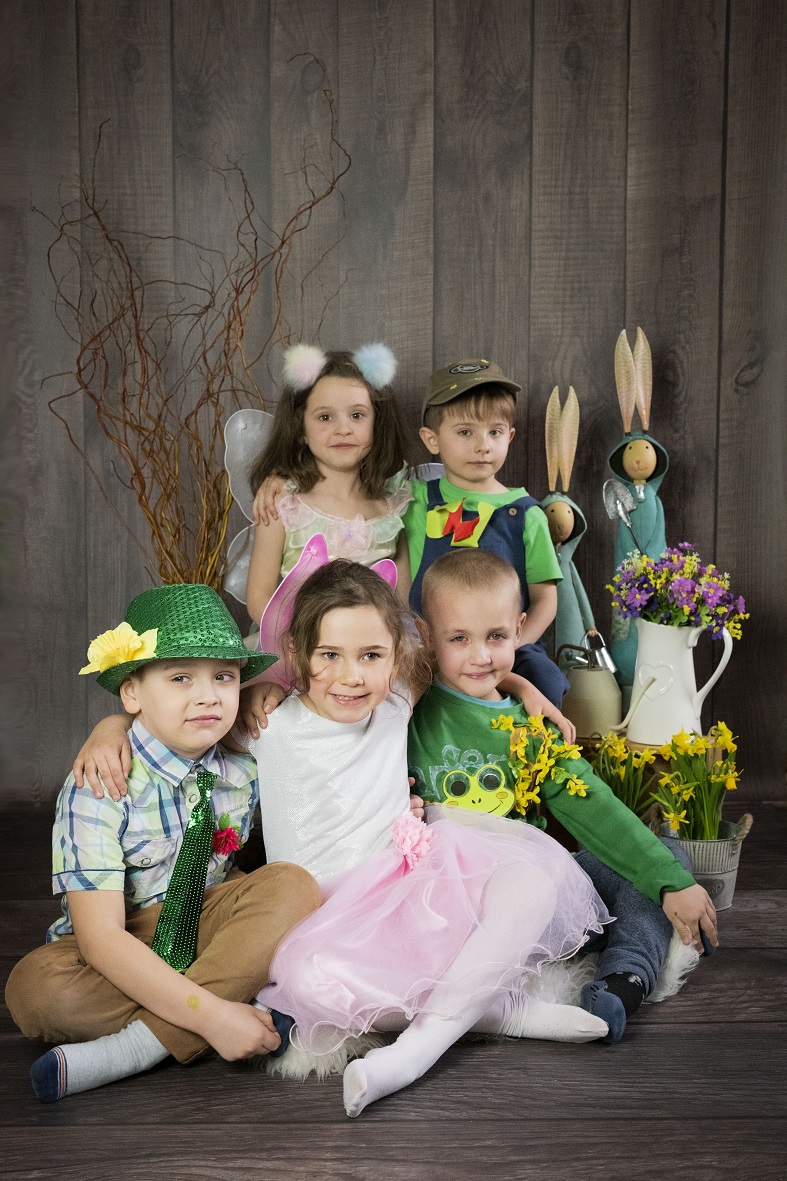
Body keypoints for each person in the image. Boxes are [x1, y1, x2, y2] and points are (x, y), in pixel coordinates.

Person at [247, 559, 612, 1117]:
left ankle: (417, 1049)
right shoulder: (269, 725)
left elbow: (468, 665)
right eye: (329, 656)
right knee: (312, 985)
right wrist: (115, 728)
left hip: (409, 890)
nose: (352, 676)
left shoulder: (395, 702)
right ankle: (492, 1008)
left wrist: (523, 687)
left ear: (396, 655)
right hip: (325, 919)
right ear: (297, 654)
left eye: (371, 656)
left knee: (531, 881)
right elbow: (182, 722)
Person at [4, 584, 322, 1103]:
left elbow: (324, 749)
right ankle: (233, 1000)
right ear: (132, 695)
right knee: (34, 992)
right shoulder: (99, 783)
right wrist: (213, 1014)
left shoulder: (244, 762)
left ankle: (140, 1047)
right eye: (180, 678)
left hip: (208, 919)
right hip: (119, 942)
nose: (208, 696)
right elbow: (101, 940)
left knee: (293, 885)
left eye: (224, 677)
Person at [407, 549, 718, 1040]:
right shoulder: (408, 705)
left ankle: (623, 979)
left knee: (664, 862)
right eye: (458, 638)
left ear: (520, 628)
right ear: (426, 635)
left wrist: (669, 881)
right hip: (447, 904)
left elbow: (592, 803)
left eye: (496, 637)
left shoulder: (532, 727)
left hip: (534, 895)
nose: (480, 655)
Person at [402, 358, 570, 707]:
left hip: (504, 650)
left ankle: (537, 743)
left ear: (510, 436)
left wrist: (511, 647)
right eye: (465, 432)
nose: (483, 445)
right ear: (432, 439)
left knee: (546, 679)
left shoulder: (527, 515)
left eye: (495, 432)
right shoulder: (414, 501)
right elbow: (401, 588)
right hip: (429, 647)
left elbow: (545, 601)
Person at [241, 342, 413, 629]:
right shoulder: (283, 503)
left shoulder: (392, 503)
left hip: (372, 643)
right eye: (325, 417)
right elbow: (259, 597)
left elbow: (402, 598)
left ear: (377, 422)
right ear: (300, 429)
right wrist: (296, 643)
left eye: (357, 415)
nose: (343, 429)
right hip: (298, 640)